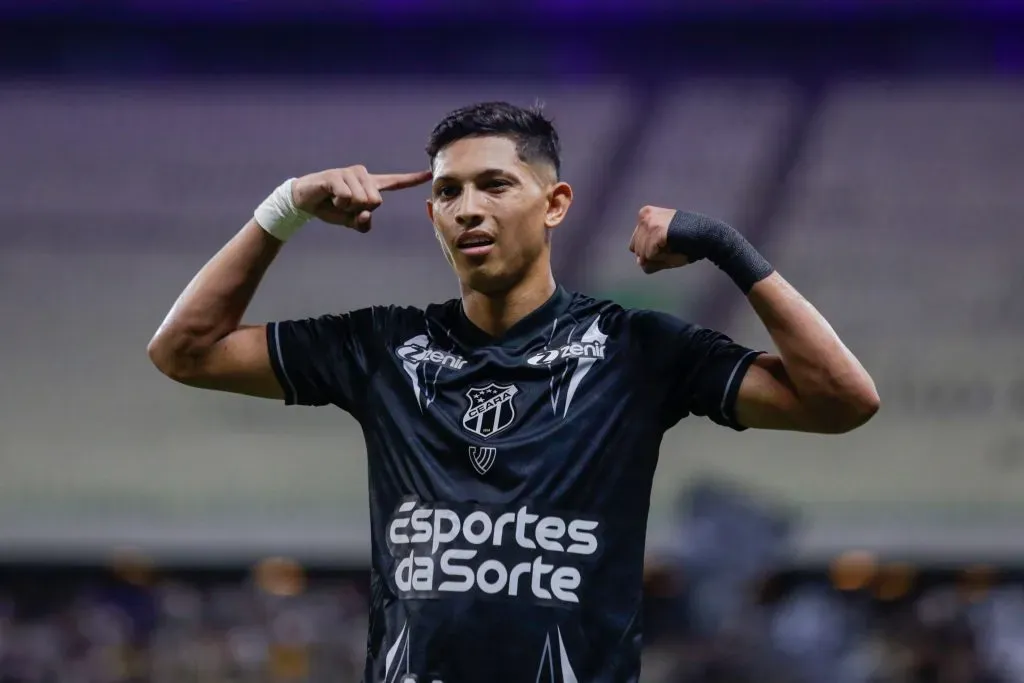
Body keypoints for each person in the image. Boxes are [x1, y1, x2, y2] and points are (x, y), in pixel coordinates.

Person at [147, 101, 879, 683]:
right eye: (446, 192)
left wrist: (724, 244)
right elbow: (186, 349)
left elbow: (843, 400)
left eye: (494, 184)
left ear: (555, 203)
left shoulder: (637, 349)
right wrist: (286, 207)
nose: (467, 207)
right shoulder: (380, 346)